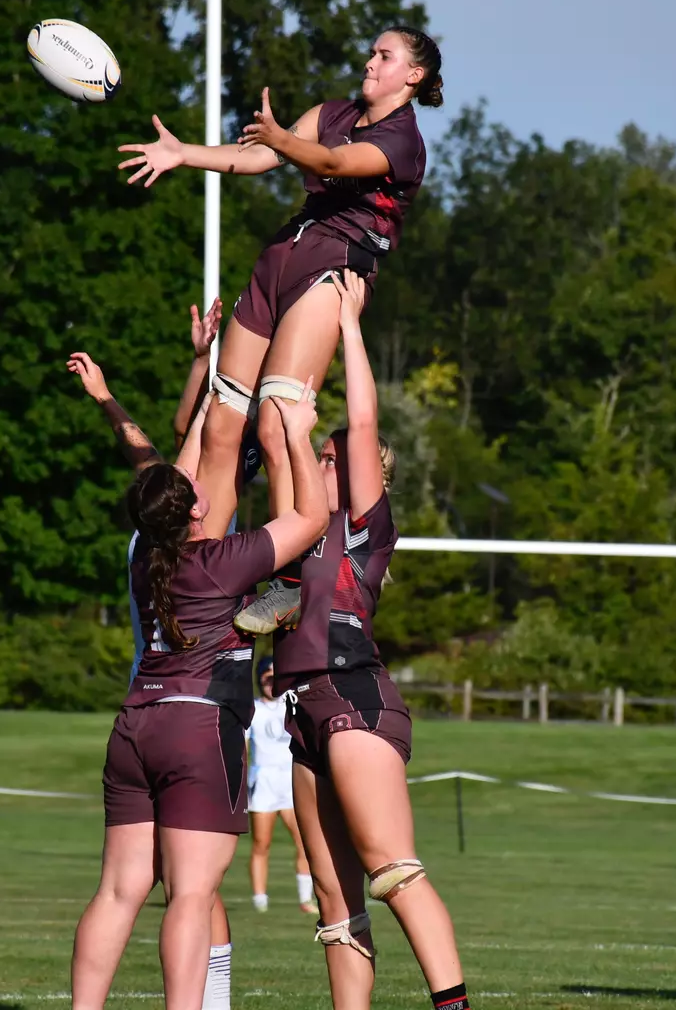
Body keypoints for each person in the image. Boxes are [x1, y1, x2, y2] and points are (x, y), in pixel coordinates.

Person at [118, 28, 443, 565]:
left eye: (384, 56)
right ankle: (203, 567)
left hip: (334, 266)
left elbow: (331, 164)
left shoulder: (403, 141)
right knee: (222, 426)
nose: (369, 61)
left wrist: (280, 139)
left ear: (414, 76)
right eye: (371, 51)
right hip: (282, 258)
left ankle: (288, 577)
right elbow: (257, 159)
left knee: (276, 424)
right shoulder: (332, 112)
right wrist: (184, 154)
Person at [66, 350, 328, 1010]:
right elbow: (312, 520)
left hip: (135, 725)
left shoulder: (145, 557)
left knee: (119, 891)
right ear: (197, 507)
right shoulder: (220, 562)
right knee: (190, 894)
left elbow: (151, 471)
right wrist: (296, 434)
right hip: (196, 726)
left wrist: (107, 401)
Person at [273, 270, 469, 1010]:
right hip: (302, 709)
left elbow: (358, 425)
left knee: (391, 870)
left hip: (354, 694)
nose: (324, 462)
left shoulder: (363, 525)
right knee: (333, 900)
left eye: (333, 459)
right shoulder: (291, 534)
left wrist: (349, 326)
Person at [247, 654, 318, 915]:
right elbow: (242, 749)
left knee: (303, 840)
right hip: (263, 781)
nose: (271, 683)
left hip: (290, 781)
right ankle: (259, 900)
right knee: (261, 843)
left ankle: (305, 898)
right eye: (267, 678)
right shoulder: (252, 709)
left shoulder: (291, 704)